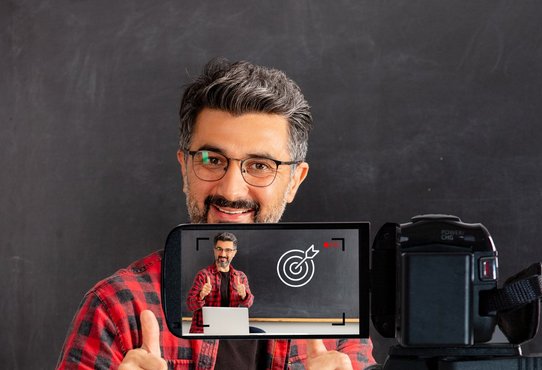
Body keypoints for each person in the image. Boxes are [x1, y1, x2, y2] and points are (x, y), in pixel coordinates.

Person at [57, 58, 374, 369]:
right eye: (212, 160)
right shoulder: (117, 308)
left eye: (260, 166)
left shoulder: (336, 320)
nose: (231, 191)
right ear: (185, 169)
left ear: (294, 182)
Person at [187, 232, 253, 334]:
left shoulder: (240, 277)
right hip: (204, 332)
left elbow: (248, 303)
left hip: (231, 330)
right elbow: (190, 305)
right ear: (214, 250)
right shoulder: (203, 275)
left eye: (228, 250)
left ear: (234, 253)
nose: (222, 254)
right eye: (219, 249)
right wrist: (201, 295)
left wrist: (244, 295)